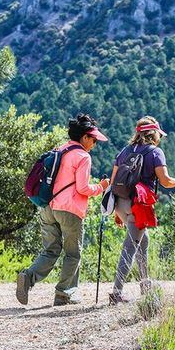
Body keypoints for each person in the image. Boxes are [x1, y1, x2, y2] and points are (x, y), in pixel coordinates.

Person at [16, 114, 110, 306]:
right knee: (73, 253)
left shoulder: (59, 150)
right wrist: (101, 186)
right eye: (93, 139)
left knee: (50, 250)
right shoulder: (83, 156)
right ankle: (63, 294)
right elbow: (83, 188)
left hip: (47, 206)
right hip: (69, 210)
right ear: (84, 137)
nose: (94, 143)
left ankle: (28, 276)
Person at [108, 116, 175, 305]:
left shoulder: (124, 151)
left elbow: (112, 181)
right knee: (130, 247)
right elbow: (166, 182)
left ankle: (145, 285)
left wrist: (116, 212)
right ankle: (116, 293)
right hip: (138, 205)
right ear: (154, 134)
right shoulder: (155, 152)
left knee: (143, 241)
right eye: (159, 134)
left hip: (119, 203)